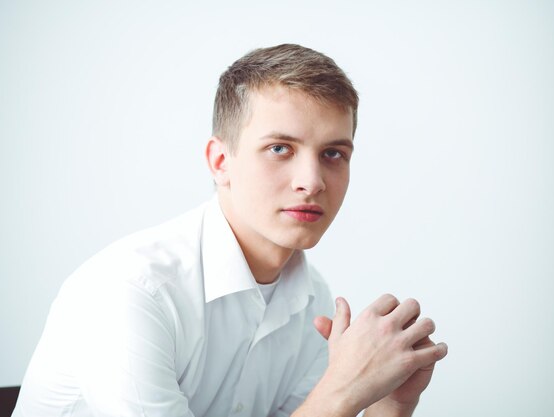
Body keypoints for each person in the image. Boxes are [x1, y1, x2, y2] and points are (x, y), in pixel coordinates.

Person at [13, 44, 448, 417]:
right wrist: (344, 391)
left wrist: (385, 406)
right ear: (221, 162)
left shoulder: (312, 294)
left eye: (333, 153)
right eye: (280, 148)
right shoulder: (130, 290)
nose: (311, 181)